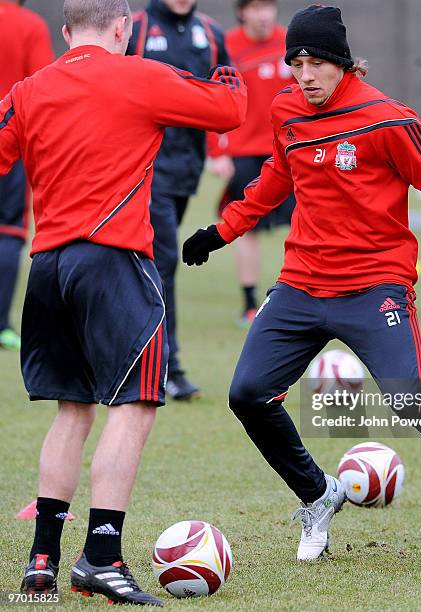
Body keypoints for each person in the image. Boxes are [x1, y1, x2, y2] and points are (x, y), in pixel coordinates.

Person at [182, 5, 421, 562]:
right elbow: (277, 176)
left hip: (376, 287)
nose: (304, 75)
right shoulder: (286, 110)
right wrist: (221, 231)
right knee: (246, 395)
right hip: (300, 284)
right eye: (295, 62)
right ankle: (318, 494)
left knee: (408, 400)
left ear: (342, 63)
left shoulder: (388, 119)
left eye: (316, 61)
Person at [0, 0, 245, 602]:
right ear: (123, 27)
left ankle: (42, 563)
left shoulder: (29, 90)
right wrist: (226, 68)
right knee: (133, 408)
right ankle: (102, 557)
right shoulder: (141, 74)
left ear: (64, 32)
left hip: (48, 266)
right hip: (114, 263)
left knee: (71, 410)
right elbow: (229, 111)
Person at [127, 0, 231, 401]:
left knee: (155, 263)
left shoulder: (211, 32)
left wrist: (221, 146)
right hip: (144, 168)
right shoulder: (134, 28)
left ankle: (146, 356)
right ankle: (166, 366)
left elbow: (228, 88)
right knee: (163, 261)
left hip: (186, 170)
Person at [208, 0, 295, 326]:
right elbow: (212, 97)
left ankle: (305, 293)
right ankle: (249, 302)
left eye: (268, 6)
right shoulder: (227, 46)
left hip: (289, 149)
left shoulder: (290, 41)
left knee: (309, 220)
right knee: (245, 227)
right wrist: (217, 152)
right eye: (255, 8)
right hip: (244, 151)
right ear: (242, 11)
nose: (263, 14)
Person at [0, 0, 54, 351]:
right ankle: (1, 324)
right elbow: (44, 85)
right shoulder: (29, 24)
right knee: (8, 229)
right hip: (11, 140)